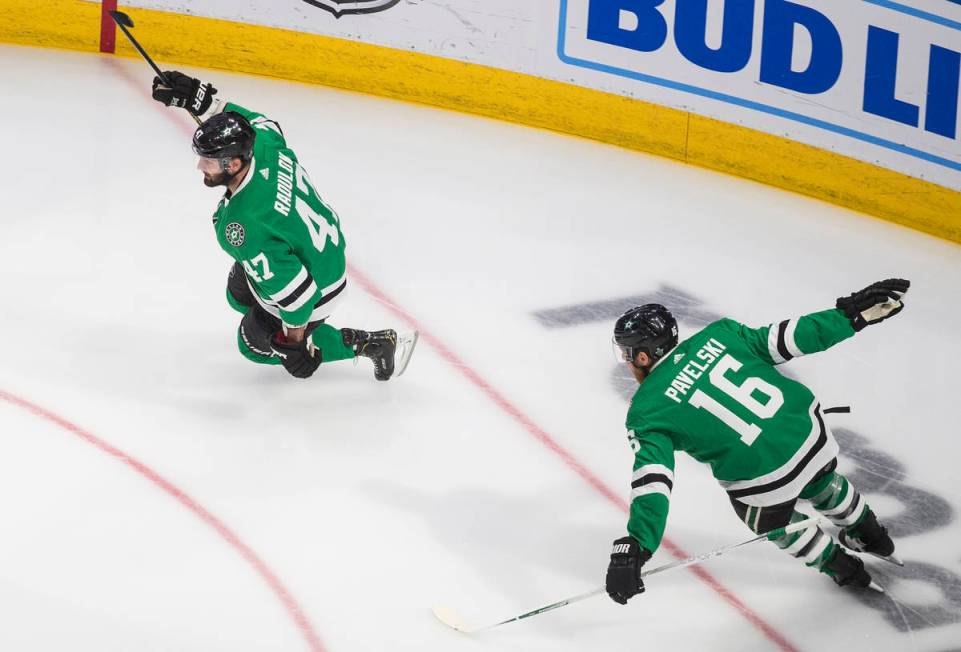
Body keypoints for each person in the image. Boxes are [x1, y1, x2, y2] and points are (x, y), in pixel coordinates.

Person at [604, 279, 911, 604]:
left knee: (768, 517)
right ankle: (871, 534)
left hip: (765, 481)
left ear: (641, 356)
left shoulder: (646, 411)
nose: (625, 362)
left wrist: (639, 544)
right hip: (812, 435)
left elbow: (653, 483)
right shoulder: (721, 333)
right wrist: (849, 316)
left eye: (626, 354)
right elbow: (792, 337)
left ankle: (840, 565)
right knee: (817, 475)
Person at [150, 71, 417, 380]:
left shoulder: (241, 226)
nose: (200, 166)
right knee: (237, 297)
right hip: (311, 245)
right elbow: (256, 122)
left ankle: (370, 344)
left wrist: (294, 343)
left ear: (233, 164)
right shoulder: (263, 144)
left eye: (208, 161)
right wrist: (202, 99)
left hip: (320, 285)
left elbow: (299, 296)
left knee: (251, 344)